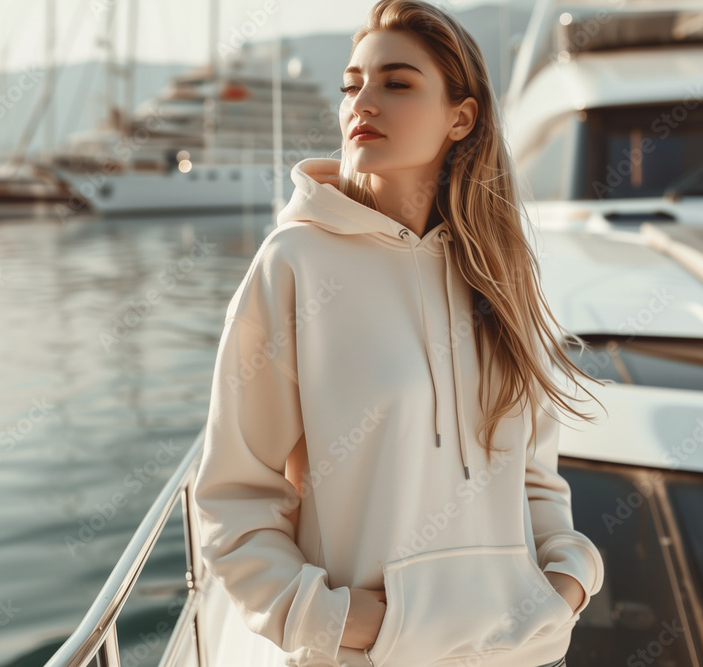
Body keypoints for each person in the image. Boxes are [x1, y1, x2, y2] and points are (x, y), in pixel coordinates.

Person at [193, 1, 608, 665]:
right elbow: (234, 496)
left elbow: (535, 477)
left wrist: (566, 583)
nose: (364, 101)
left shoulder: (498, 269)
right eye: (352, 83)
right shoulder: (295, 263)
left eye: (397, 82)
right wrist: (339, 621)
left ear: (461, 117)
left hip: (522, 655)